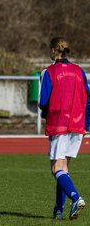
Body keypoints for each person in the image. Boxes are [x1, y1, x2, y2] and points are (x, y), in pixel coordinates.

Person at [38, 37, 89, 220]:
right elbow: (87, 98)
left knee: (56, 168)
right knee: (63, 169)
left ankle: (75, 197)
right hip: (78, 124)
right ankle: (58, 210)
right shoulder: (79, 71)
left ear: (53, 50)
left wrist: (45, 113)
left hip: (59, 123)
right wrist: (87, 124)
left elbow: (43, 101)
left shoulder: (48, 72)